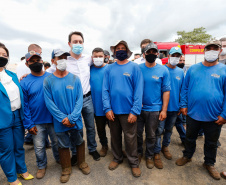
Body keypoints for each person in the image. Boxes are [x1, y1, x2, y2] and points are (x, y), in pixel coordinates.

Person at [176, 40, 226, 180]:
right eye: (208, 48)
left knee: (211, 142)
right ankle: (187, 156)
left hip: (214, 116)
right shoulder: (193, 69)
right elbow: (185, 88)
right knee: (189, 137)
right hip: (192, 113)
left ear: (219, 51)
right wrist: (183, 105)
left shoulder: (224, 70)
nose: (211, 50)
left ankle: (209, 163)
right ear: (204, 51)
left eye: (214, 48)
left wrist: (224, 114)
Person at [44, 49, 90, 183]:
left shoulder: (75, 78)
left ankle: (82, 163)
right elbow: (49, 102)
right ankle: (66, 168)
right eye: (60, 58)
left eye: (65, 57)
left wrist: (72, 117)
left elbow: (79, 100)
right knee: (63, 144)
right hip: (60, 122)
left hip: (75, 120)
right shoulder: (48, 81)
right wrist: (62, 118)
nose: (63, 60)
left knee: (79, 141)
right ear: (53, 61)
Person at [103, 40, 143, 177]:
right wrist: (107, 108)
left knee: (130, 138)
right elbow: (105, 89)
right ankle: (117, 158)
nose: (120, 50)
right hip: (113, 111)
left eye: (123, 48)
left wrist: (135, 110)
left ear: (127, 51)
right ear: (114, 52)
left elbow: (139, 90)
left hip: (129, 111)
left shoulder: (134, 67)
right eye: (118, 48)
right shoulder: (109, 68)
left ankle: (134, 162)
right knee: (114, 136)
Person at [20, 51, 59, 179]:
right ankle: (41, 166)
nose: (36, 63)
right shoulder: (24, 82)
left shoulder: (52, 77)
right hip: (36, 121)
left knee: (56, 142)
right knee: (39, 146)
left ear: (42, 61)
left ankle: (60, 160)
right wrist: (29, 124)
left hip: (53, 119)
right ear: (27, 64)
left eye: (38, 60)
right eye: (32, 61)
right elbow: (24, 105)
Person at [0, 44, 34, 185]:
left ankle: (22, 170)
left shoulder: (12, 75)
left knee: (19, 146)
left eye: (4, 55)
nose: (2, 57)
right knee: (7, 150)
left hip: (17, 117)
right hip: (2, 119)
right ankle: (12, 177)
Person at [67, 31, 100, 161]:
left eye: (80, 42)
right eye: (75, 42)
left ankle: (92, 149)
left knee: (91, 127)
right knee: (76, 128)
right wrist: (25, 76)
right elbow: (49, 72)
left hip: (87, 98)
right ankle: (75, 153)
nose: (78, 44)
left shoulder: (87, 59)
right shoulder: (64, 60)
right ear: (69, 44)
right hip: (73, 101)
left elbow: (100, 63)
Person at [137, 43, 170, 169]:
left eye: (153, 52)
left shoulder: (163, 70)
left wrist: (164, 110)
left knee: (152, 135)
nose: (151, 54)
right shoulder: (138, 68)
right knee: (138, 134)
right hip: (139, 109)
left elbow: (166, 91)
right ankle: (139, 152)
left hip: (155, 109)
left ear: (157, 54)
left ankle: (149, 156)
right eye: (148, 52)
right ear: (144, 54)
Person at [154, 47, 184, 164]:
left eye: (178, 56)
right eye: (173, 55)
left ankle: (165, 147)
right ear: (169, 56)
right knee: (158, 130)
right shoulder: (161, 69)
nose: (175, 58)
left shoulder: (181, 72)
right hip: (161, 108)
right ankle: (156, 151)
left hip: (174, 107)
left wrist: (181, 105)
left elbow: (182, 90)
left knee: (169, 130)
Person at [90, 47, 109, 157]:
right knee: (100, 129)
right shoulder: (89, 69)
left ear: (104, 57)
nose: (98, 58)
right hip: (96, 106)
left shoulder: (109, 69)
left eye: (100, 56)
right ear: (92, 58)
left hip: (110, 106)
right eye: (95, 56)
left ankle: (118, 148)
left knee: (115, 130)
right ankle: (104, 145)